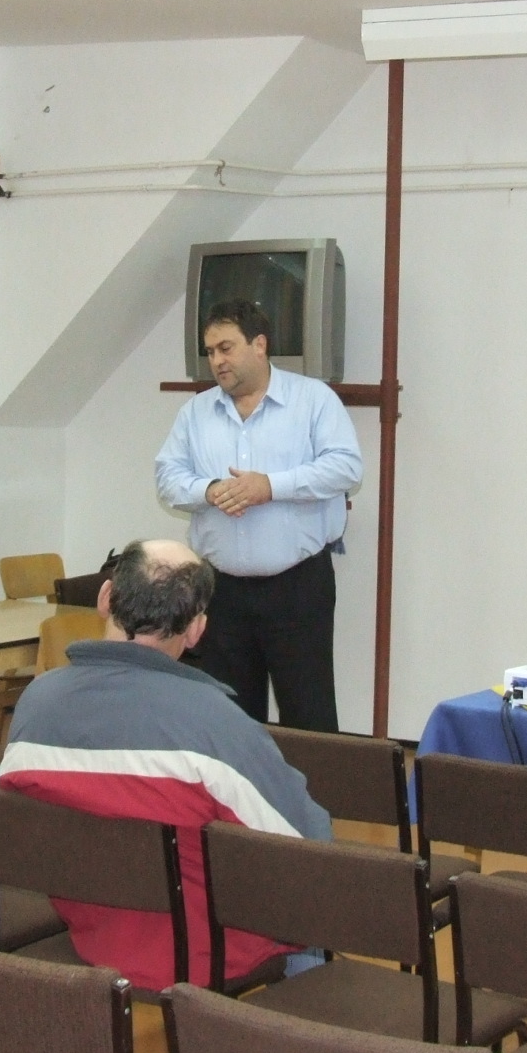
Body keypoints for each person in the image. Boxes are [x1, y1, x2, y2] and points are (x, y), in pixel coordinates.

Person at [0, 539, 332, 990]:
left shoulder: (36, 703)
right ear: (196, 629)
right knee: (314, 897)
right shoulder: (214, 723)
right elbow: (305, 846)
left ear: (105, 597)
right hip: (206, 953)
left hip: (93, 936)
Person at [153, 299, 362, 731]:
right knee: (229, 719)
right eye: (210, 352)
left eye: (226, 348)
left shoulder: (313, 400)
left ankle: (309, 781)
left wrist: (270, 487)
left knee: (309, 717)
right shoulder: (195, 413)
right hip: (221, 592)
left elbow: (345, 468)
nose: (217, 361)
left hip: (298, 587)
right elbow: (167, 479)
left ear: (260, 345)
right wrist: (209, 491)